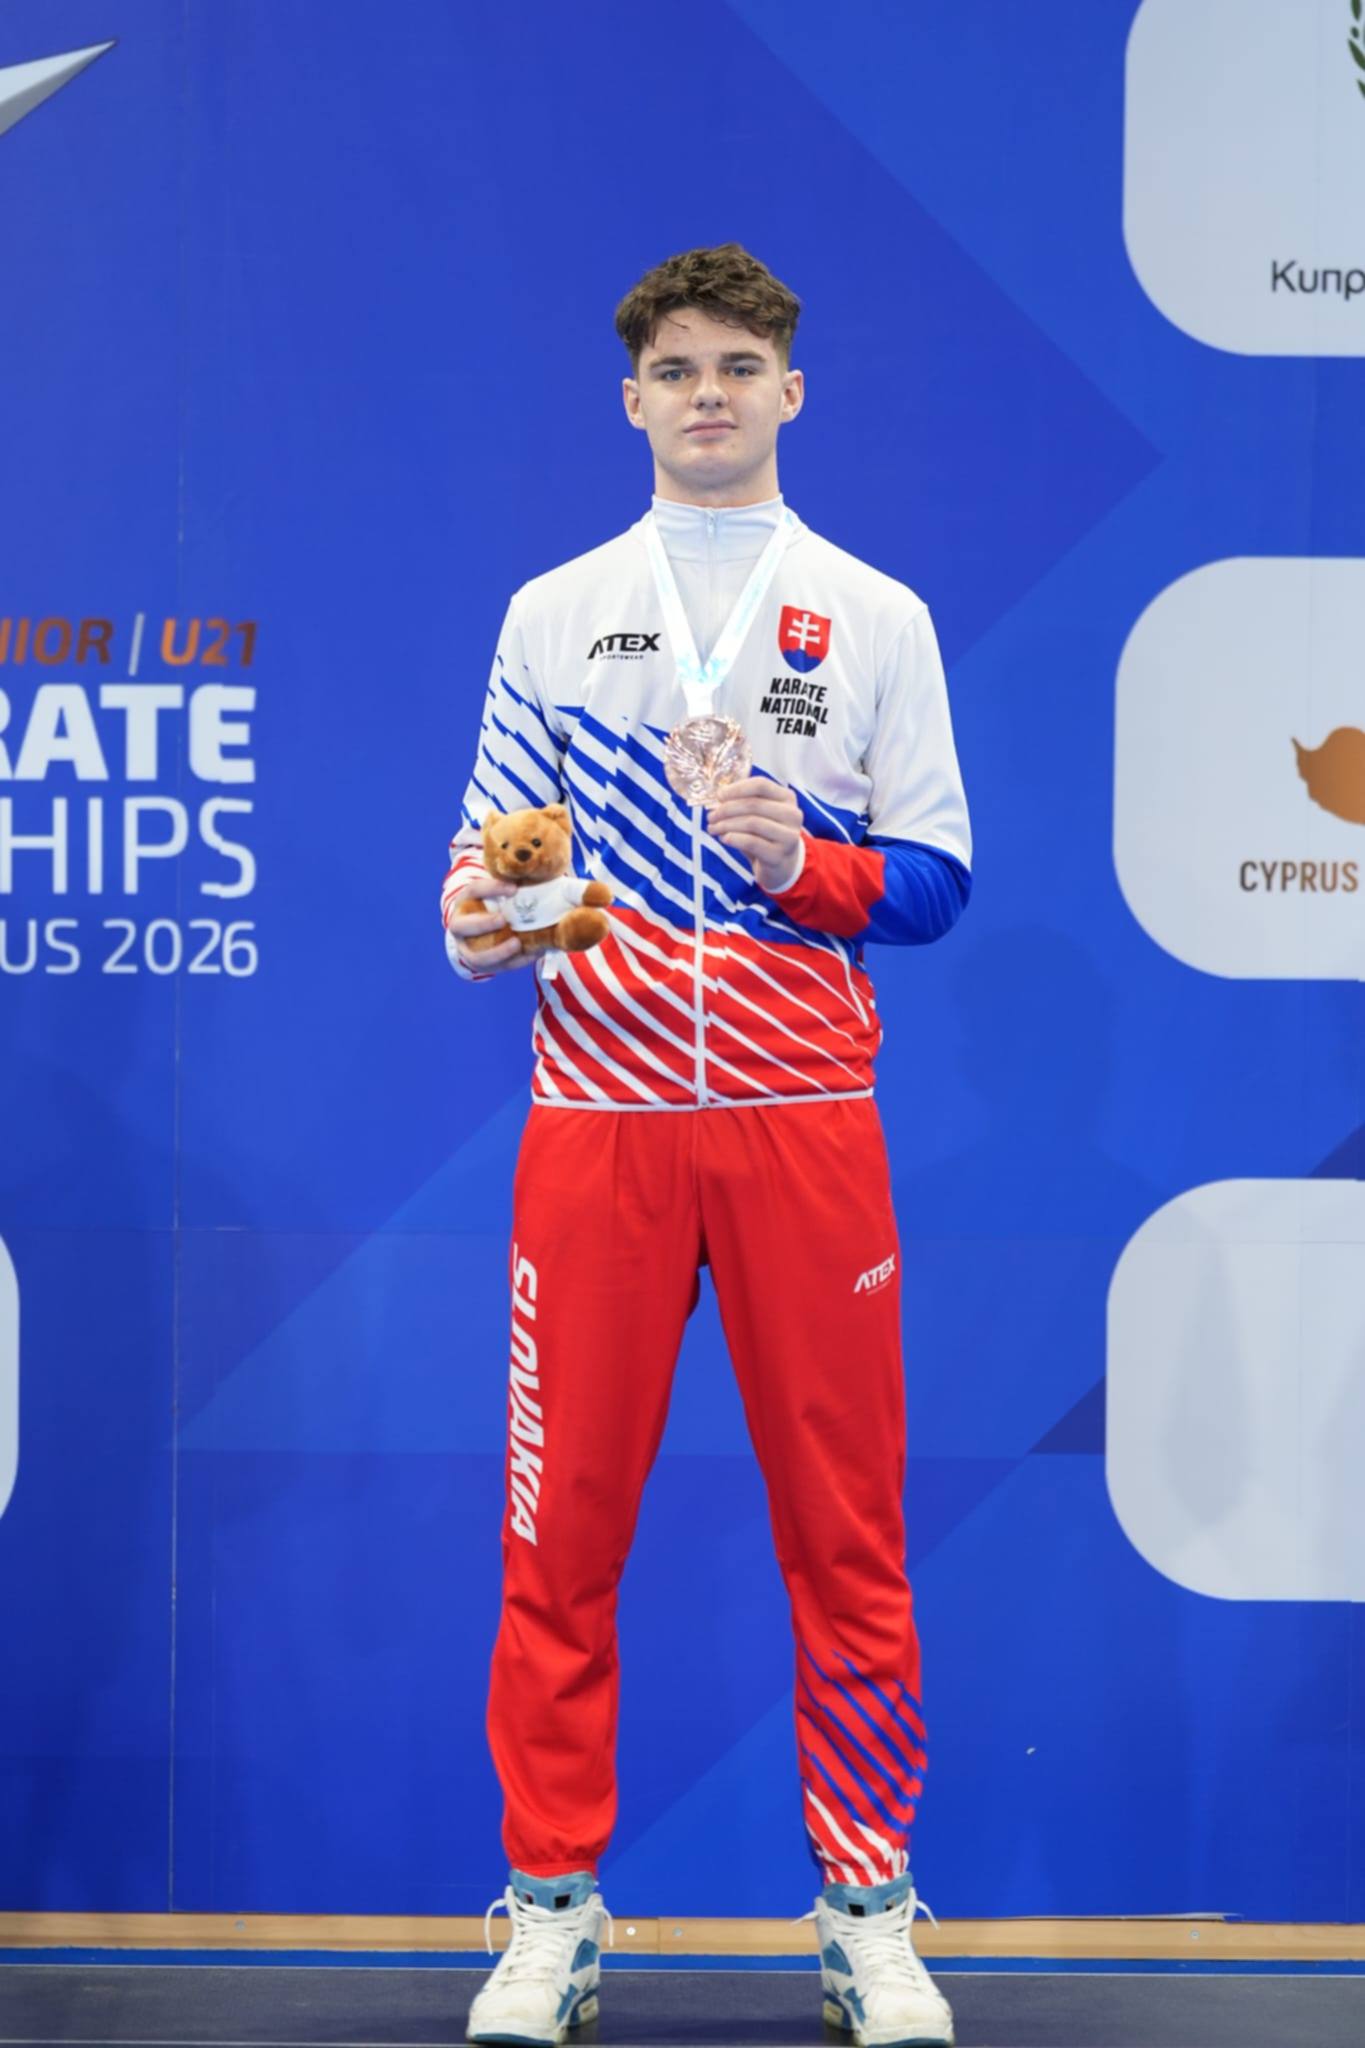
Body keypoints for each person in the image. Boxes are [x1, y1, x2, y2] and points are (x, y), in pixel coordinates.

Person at [442, 243, 971, 2048]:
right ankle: (550, 1915)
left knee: (847, 1537)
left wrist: (795, 862)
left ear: (790, 390)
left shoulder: (874, 614)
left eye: (739, 366)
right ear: (632, 401)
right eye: (676, 370)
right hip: (594, 1129)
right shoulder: (552, 610)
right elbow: (490, 860)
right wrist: (478, 921)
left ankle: (867, 1919)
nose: (709, 395)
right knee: (557, 1539)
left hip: (802, 1131)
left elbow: (935, 882)